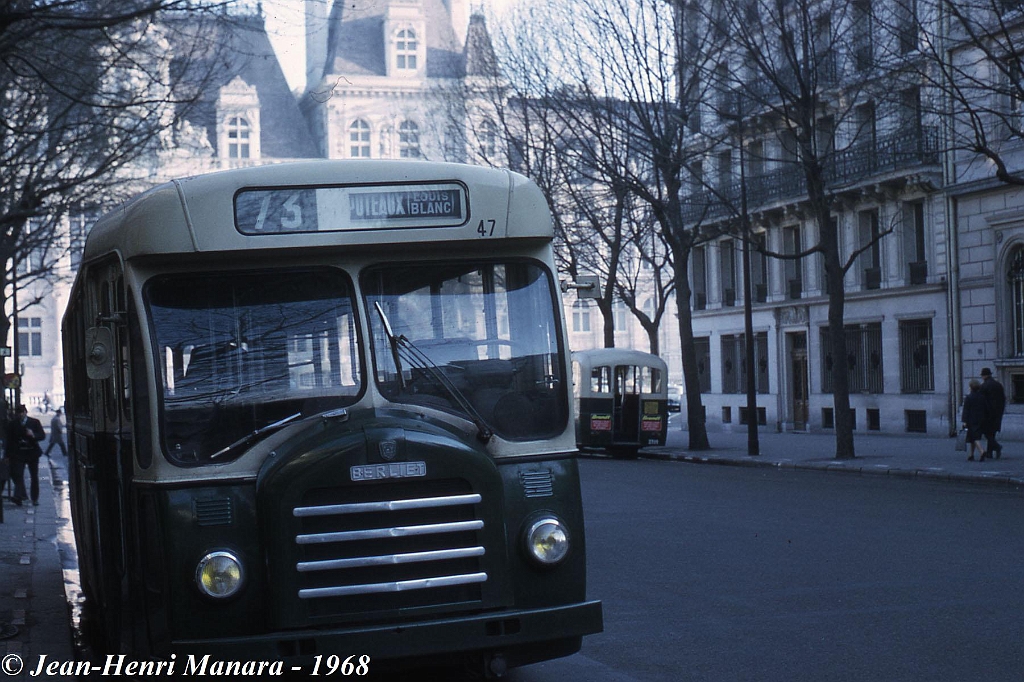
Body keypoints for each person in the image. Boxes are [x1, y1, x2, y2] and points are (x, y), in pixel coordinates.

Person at [5, 404, 45, 506]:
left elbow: (42, 435)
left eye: (22, 413)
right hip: (19, 453)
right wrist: (7, 456)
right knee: (18, 475)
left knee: (34, 476)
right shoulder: (12, 424)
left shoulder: (34, 422)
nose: (20, 415)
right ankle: (19, 496)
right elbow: (9, 441)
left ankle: (34, 498)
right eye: (18, 413)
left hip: (32, 452)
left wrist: (33, 435)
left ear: (25, 412)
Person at [979, 367, 1006, 459]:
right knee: (992, 433)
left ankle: (997, 447)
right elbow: (1003, 399)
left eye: (982, 375)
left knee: (987, 433)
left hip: (988, 413)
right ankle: (990, 453)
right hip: (998, 412)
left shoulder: (984, 386)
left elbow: (982, 401)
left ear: (984, 376)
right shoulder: (998, 385)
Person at [961, 379, 989, 462]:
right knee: (972, 437)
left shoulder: (969, 397)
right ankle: (971, 455)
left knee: (974, 437)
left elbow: (966, 410)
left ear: (970, 388)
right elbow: (986, 408)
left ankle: (981, 451)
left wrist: (964, 421)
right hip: (981, 419)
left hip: (971, 420)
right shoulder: (982, 397)